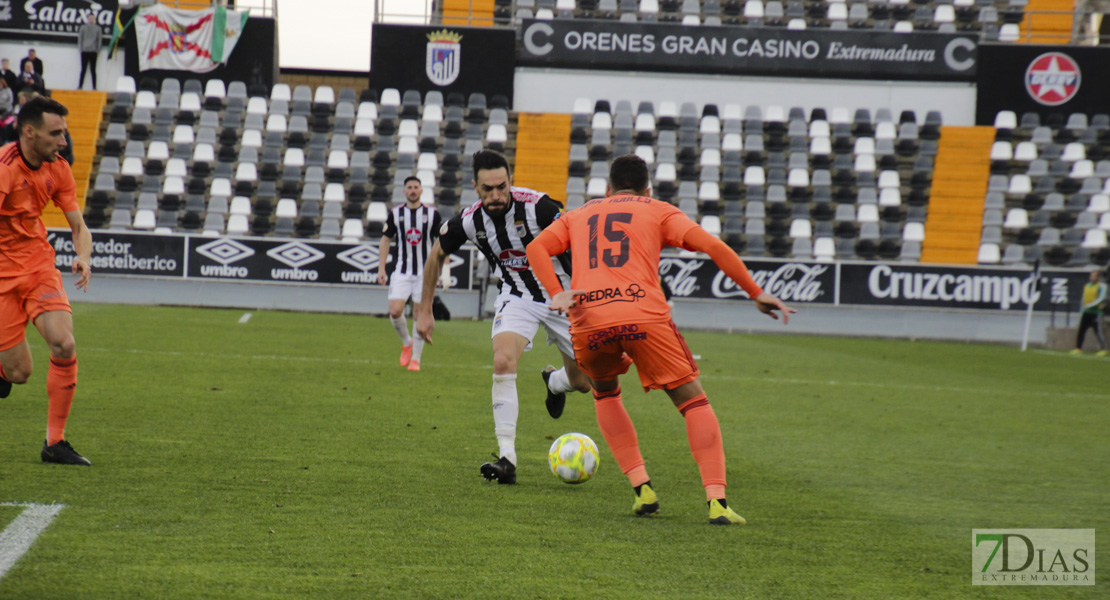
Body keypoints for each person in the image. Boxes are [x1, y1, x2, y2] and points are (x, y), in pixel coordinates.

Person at [526, 154, 795, 525]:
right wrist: (755, 292)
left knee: (605, 392)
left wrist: (557, 291)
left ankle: (642, 489)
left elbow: (535, 248)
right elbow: (713, 247)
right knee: (693, 403)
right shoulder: (658, 209)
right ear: (646, 188)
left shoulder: (580, 213)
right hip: (643, 316)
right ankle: (717, 502)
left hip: (590, 319)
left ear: (607, 189)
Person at [416, 149, 591, 484]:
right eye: (487, 189)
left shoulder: (539, 207)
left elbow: (579, 243)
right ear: (475, 187)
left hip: (561, 295)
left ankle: (555, 382)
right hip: (517, 296)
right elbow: (436, 254)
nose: (496, 195)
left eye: (501, 187)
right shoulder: (470, 221)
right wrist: (424, 310)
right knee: (502, 361)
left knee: (585, 383)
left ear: (511, 180)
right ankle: (507, 458)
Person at [0, 96, 94, 466]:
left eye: (65, 132)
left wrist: (83, 256)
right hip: (2, 276)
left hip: (39, 266)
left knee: (64, 343)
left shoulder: (59, 169)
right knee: (19, 372)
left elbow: (79, 227)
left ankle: (55, 443)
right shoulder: (5, 168)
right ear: (29, 132)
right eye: (56, 133)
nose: (64, 141)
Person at [377, 176, 441, 372]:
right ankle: (407, 342)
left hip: (425, 274)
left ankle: (416, 360)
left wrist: (444, 269)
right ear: (404, 191)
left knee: (419, 314)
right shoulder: (396, 214)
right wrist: (381, 268)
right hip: (402, 271)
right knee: (395, 310)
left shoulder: (432, 214)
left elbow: (441, 242)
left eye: (416, 187)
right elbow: (385, 240)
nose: (413, 190)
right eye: (409, 187)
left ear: (421, 191)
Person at [1072, 269, 1108, 356]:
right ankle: (1078, 348)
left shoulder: (1102, 286)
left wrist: (1091, 305)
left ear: (1098, 277)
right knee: (1081, 330)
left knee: (1098, 331)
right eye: (1091, 276)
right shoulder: (1087, 285)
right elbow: (1083, 298)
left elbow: (1101, 298)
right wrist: (1082, 308)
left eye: (1093, 276)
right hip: (1087, 311)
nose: (1091, 277)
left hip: (1096, 312)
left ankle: (1104, 349)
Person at [77, 15, 102, 90]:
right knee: (83, 69)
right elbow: (80, 39)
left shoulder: (98, 28)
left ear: (95, 19)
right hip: (84, 51)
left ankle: (94, 87)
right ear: (88, 19)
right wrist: (81, 49)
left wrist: (98, 50)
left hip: (93, 51)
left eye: (92, 18)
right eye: (90, 18)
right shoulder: (83, 28)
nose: (91, 19)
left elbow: (99, 40)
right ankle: (80, 86)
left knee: (93, 70)